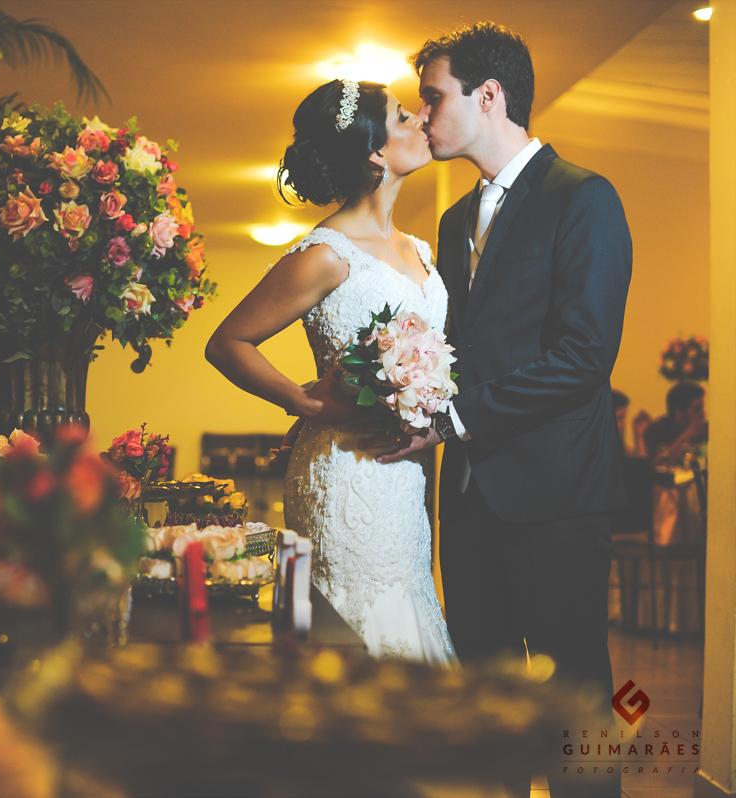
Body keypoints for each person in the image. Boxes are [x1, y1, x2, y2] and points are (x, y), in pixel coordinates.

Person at [361, 22, 631, 798]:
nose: (423, 114)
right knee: (485, 701)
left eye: (433, 98)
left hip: (556, 499)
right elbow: (454, 353)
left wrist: (450, 423)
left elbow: (584, 359)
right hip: (470, 498)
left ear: (489, 95)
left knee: (574, 703)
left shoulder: (583, 198)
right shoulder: (453, 220)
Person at [205, 78, 456, 665]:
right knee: (360, 626)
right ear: (375, 152)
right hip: (345, 473)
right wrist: (306, 403)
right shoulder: (325, 254)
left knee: (408, 607)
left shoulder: (420, 250)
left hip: (407, 474)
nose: (421, 119)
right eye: (403, 116)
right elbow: (228, 343)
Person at [644, 381, 707, 467]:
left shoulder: (705, 432)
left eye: (702, 408)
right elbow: (657, 466)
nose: (702, 414)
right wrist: (684, 437)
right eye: (696, 409)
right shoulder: (656, 431)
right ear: (678, 413)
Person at [612, 389, 651, 458]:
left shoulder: (618, 444)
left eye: (624, 418)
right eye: (619, 418)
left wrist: (639, 436)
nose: (623, 424)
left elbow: (640, 465)